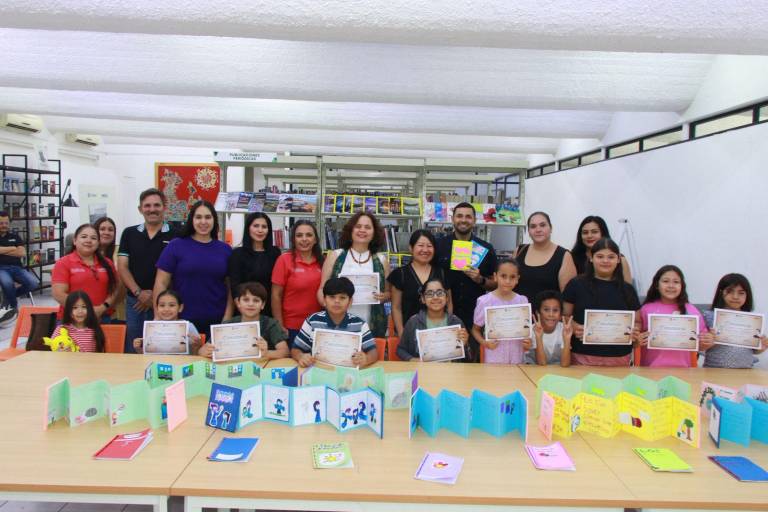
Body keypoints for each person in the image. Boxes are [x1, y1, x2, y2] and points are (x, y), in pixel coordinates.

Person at [154, 200, 233, 337]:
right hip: (181, 319)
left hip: (217, 321)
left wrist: (227, 317)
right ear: (192, 220)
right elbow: (161, 283)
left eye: (208, 217)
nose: (203, 222)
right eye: (198, 217)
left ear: (214, 220)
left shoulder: (225, 249)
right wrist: (158, 316)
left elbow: (231, 288)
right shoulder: (176, 246)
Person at [562, 238, 640, 366]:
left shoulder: (627, 289)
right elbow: (565, 316)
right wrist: (575, 327)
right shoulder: (576, 284)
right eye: (600, 256)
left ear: (618, 260)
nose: (605, 261)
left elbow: (636, 321)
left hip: (619, 358)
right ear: (591, 258)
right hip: (583, 356)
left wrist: (635, 331)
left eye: (611, 257)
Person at [435, 202, 497, 362]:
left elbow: (495, 284)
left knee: (473, 362)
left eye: (468, 216)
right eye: (459, 216)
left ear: (474, 220)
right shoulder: (439, 246)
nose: (464, 220)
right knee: (444, 360)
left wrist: (480, 279)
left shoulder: (486, 249)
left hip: (475, 318)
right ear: (452, 219)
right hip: (443, 315)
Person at [117, 188, 176, 353]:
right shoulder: (129, 234)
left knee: (163, 346)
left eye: (157, 205)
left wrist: (155, 298)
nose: (152, 209)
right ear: (140, 209)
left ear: (164, 207)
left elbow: (176, 269)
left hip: (166, 303)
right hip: (135, 302)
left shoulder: (176, 235)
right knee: (134, 346)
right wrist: (139, 293)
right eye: (147, 205)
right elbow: (122, 266)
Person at [318, 212, 390, 337]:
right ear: (351, 230)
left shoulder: (382, 260)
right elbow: (321, 289)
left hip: (370, 324)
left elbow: (389, 293)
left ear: (374, 233)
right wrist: (329, 304)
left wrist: (384, 297)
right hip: (337, 323)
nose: (362, 230)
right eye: (358, 226)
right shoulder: (336, 256)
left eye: (367, 227)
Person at [635, 265, 713, 367]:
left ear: (682, 286)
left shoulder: (692, 310)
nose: (671, 286)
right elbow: (635, 340)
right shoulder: (646, 309)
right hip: (650, 370)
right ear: (656, 285)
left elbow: (701, 345)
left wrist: (708, 341)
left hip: (684, 370)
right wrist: (637, 340)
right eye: (666, 281)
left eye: (676, 282)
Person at [293, 277, 378, 368]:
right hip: (318, 372)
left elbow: (373, 353)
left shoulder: (360, 324)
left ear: (350, 302)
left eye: (342, 297)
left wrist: (366, 359)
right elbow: (295, 349)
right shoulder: (312, 321)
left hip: (347, 375)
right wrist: (301, 356)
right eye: (332, 297)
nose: (337, 301)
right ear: (324, 300)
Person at [200, 282, 289, 361]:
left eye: (256, 300)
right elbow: (201, 351)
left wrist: (267, 353)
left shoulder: (271, 324)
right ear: (238, 303)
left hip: (261, 368)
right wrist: (206, 351)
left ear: (262, 305)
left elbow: (285, 352)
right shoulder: (228, 325)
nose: (251, 304)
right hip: (232, 367)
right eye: (246, 300)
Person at [389, 229, 451, 337]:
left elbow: (449, 303)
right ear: (411, 248)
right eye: (420, 245)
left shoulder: (442, 273)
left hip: (438, 333)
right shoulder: (400, 274)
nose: (425, 250)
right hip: (409, 333)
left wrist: (447, 327)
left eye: (429, 246)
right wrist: (401, 332)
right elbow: (396, 307)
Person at [52, 223, 120, 321]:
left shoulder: (107, 263)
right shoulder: (63, 263)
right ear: (75, 241)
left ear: (98, 243)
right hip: (72, 319)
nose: (88, 241)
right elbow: (58, 294)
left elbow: (114, 289)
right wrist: (84, 311)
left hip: (102, 317)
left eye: (93, 238)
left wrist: (102, 308)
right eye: (84, 237)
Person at [271, 220, 323, 344]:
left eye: (309, 235)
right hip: (292, 327)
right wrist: (279, 325)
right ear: (293, 240)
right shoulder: (284, 260)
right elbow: (275, 295)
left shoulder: (323, 262)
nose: (304, 239)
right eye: (299, 235)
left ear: (315, 239)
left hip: (318, 326)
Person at [471, 258, 532, 364]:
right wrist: (485, 343)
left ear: (517, 279)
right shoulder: (485, 301)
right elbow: (475, 330)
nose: (507, 281)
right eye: (503, 276)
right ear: (495, 276)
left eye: (512, 277)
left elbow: (526, 332)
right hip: (494, 357)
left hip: (516, 357)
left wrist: (528, 342)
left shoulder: (522, 301)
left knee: (515, 380)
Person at [702, 273, 768, 368]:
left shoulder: (753, 320)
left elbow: (754, 350)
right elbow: (700, 347)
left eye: (741, 293)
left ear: (747, 295)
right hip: (714, 369)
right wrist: (708, 341)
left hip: (745, 371)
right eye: (730, 291)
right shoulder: (709, 316)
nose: (735, 297)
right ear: (721, 292)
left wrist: (762, 347)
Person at [396, 276, 468, 361]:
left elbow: (466, 358)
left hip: (450, 372)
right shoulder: (413, 322)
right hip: (423, 371)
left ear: (447, 298)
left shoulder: (456, 322)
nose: (435, 297)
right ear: (423, 299)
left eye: (440, 293)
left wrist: (465, 344)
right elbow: (400, 350)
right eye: (429, 294)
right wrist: (413, 359)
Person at [515, 211, 577, 300]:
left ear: (551, 228)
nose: (538, 230)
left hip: (548, 313)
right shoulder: (519, 251)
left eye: (542, 225)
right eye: (533, 226)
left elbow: (568, 297)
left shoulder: (564, 256)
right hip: (518, 312)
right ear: (528, 231)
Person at [228, 212, 281, 316]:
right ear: (248, 228)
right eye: (256, 226)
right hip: (243, 310)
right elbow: (234, 287)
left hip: (268, 310)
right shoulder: (237, 254)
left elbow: (276, 287)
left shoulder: (275, 253)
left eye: (264, 227)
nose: (260, 230)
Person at [132, 289, 202, 355]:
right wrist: (139, 349)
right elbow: (147, 357)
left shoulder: (188, 327)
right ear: (157, 308)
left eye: (172, 305)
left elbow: (196, 356)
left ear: (180, 307)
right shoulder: (152, 328)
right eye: (162, 305)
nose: (166, 309)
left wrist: (197, 346)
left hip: (181, 365)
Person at [0, 211, 39, 322]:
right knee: (7, 283)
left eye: (6, 223)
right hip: (1, 268)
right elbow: (17, 250)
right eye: (1, 223)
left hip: (17, 268)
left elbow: (22, 253)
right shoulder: (14, 242)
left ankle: (9, 297)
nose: (4, 225)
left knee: (33, 283)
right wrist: (12, 248)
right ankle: (13, 307)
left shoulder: (15, 236)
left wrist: (2, 250)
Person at [571, 215, 633, 281]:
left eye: (594, 232)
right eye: (585, 232)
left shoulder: (619, 259)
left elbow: (627, 287)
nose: (589, 236)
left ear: (603, 233)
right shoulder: (572, 258)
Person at [527, 290, 573, 366]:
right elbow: (541, 364)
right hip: (534, 368)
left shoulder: (564, 329)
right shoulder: (531, 330)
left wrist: (567, 340)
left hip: (557, 370)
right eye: (546, 310)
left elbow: (565, 364)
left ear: (561, 314)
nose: (551, 314)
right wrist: (538, 337)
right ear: (538, 312)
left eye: (555, 310)